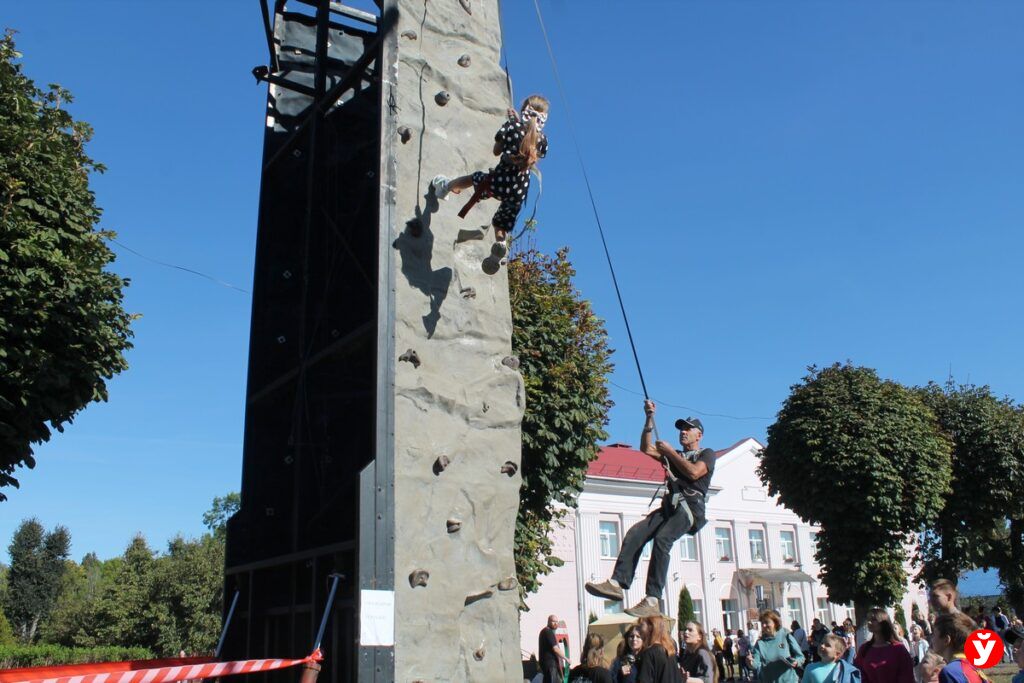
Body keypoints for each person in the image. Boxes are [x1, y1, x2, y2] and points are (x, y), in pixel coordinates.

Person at [586, 400, 716, 617]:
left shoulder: (707, 454)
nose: (683, 432)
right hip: (670, 507)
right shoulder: (674, 454)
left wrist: (670, 454)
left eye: (687, 429)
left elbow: (694, 473)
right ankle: (617, 583)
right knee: (636, 532)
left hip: (689, 509)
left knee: (663, 538)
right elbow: (646, 448)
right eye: (681, 429)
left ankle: (653, 599)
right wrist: (648, 418)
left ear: (699, 435)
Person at [432, 94, 549, 262]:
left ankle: (444, 187)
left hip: (498, 182)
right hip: (518, 191)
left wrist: (511, 124)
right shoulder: (542, 140)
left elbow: (496, 150)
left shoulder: (512, 127)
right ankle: (501, 245)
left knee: (474, 178)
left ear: (524, 110)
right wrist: (518, 124)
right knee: (500, 224)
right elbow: (529, 144)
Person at [854, 608, 914, 683]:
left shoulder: (898, 649)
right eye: (868, 619)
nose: (869, 622)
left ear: (883, 623)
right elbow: (859, 672)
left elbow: (906, 675)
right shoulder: (864, 649)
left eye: (873, 620)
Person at [748, 611, 804, 683]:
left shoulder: (785, 635)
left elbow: (800, 657)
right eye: (762, 623)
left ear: (775, 623)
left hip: (789, 680)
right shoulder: (760, 643)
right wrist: (750, 663)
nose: (764, 625)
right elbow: (755, 664)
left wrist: (796, 662)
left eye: (766, 622)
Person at [929, 612, 982, 683]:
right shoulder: (974, 668)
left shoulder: (950, 672)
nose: (932, 639)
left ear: (946, 640)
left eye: (934, 634)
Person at [636, 614, 683, 683]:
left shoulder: (649, 653)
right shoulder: (669, 650)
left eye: (641, 625)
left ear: (651, 627)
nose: (638, 630)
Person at [540, 614, 572, 683]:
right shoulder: (548, 632)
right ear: (548, 622)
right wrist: (566, 658)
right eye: (553, 621)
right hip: (550, 665)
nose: (555, 623)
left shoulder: (543, 631)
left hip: (546, 665)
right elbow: (555, 649)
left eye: (557, 622)